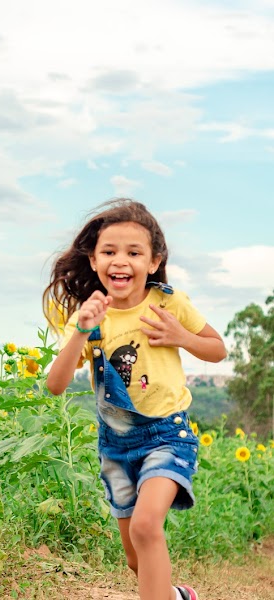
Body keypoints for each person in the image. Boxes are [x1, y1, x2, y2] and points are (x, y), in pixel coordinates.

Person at [43, 199, 226, 600]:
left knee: (146, 527)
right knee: (135, 559)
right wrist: (81, 330)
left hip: (166, 434)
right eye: (109, 252)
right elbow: (54, 385)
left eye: (133, 252)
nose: (119, 261)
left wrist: (183, 338)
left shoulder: (168, 303)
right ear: (93, 260)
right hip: (116, 444)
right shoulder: (90, 316)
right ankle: (175, 595)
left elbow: (218, 350)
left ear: (154, 261)